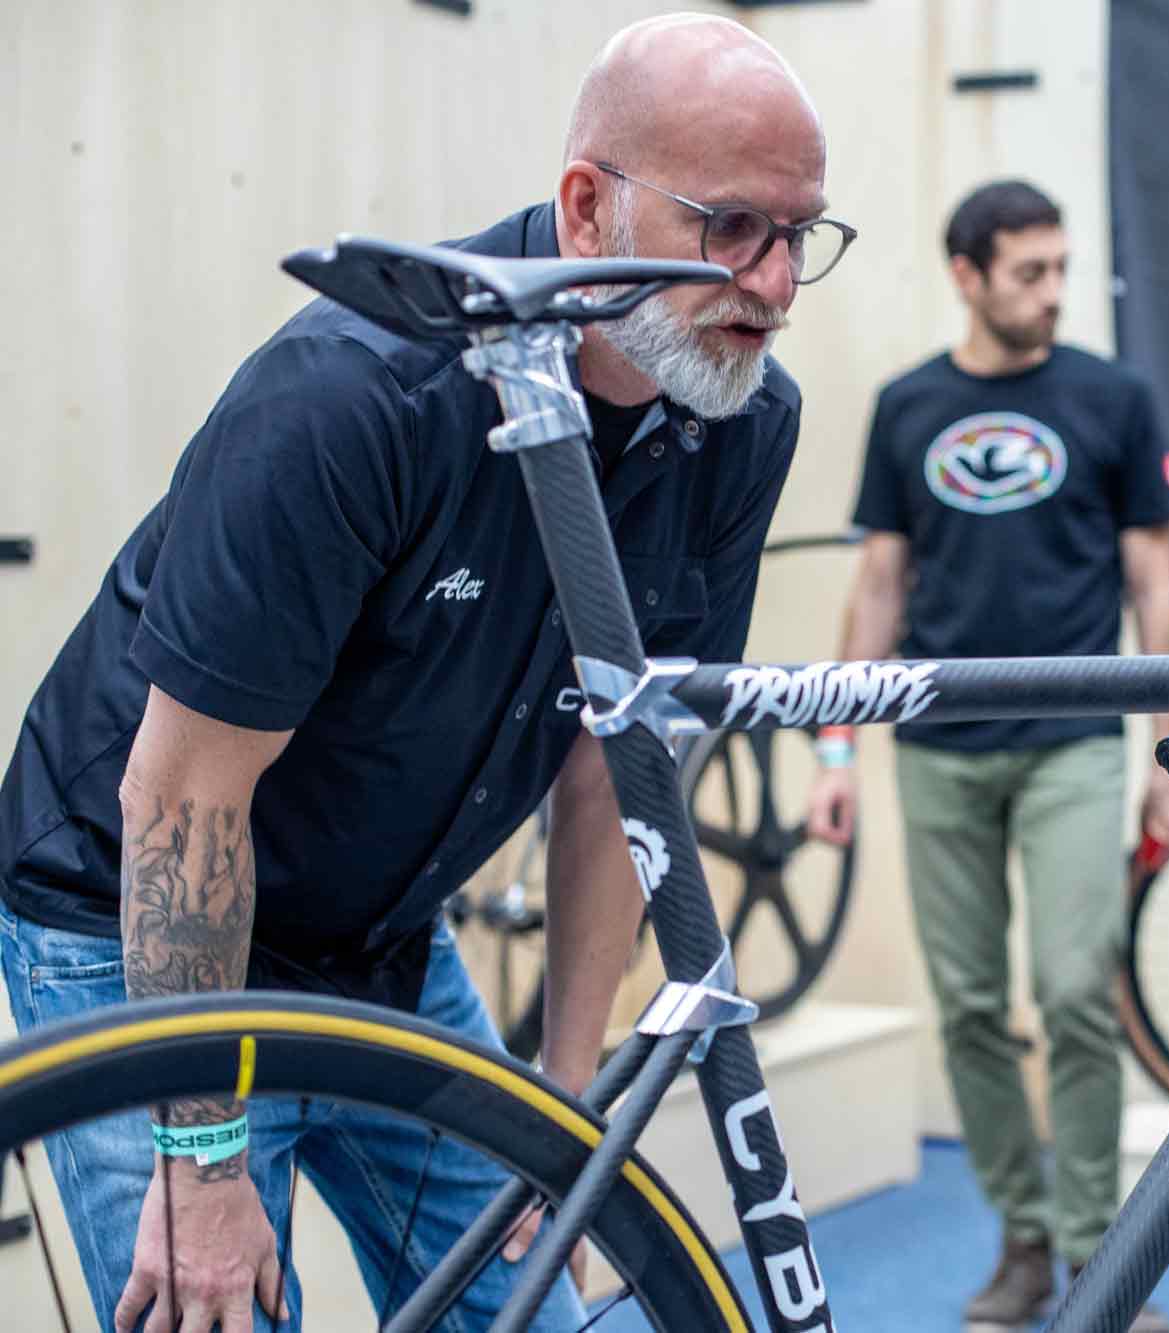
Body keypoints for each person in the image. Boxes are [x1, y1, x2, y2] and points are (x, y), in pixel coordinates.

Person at [0, 14, 848, 1330]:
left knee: (528, 1306)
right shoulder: (354, 396)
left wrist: (562, 1108)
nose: (778, 284)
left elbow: (616, 772)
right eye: (734, 227)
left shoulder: (738, 416)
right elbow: (181, 801)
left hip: (383, 937)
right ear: (587, 205)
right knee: (210, 1307)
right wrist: (205, 1154)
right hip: (132, 922)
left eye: (802, 236)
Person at [805, 179, 1169, 1332]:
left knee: (1076, 992)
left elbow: (1154, 581)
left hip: (1073, 739)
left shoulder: (1113, 396)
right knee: (971, 1007)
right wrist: (833, 754)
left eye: (1060, 268)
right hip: (936, 747)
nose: (1051, 291)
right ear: (966, 275)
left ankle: (1100, 1255)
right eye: (1027, 271)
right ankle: (1023, 1237)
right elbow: (879, 582)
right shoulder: (906, 405)